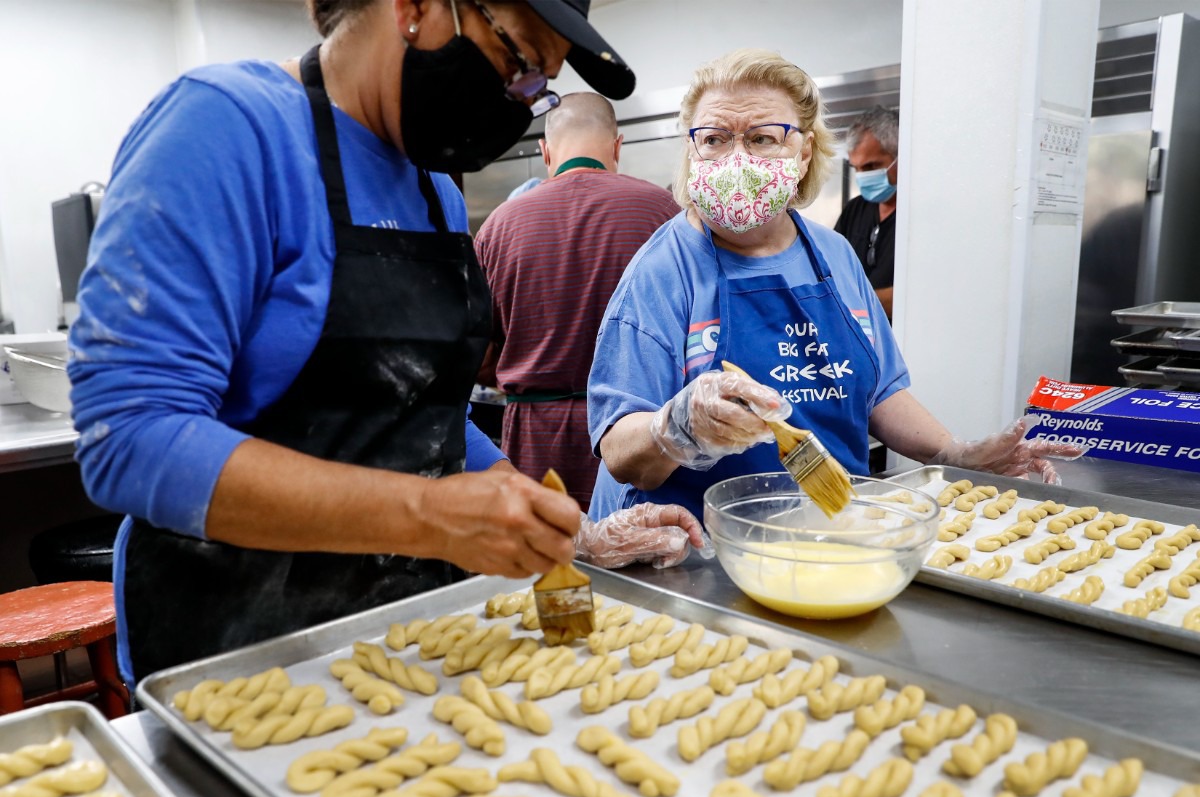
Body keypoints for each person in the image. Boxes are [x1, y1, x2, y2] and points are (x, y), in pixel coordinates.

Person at [67, 0, 707, 687]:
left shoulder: (435, 189)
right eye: (517, 62)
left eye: (537, 86)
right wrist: (427, 514)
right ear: (417, 7)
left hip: (406, 638)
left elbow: (423, 416)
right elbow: (129, 438)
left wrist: (563, 528)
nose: (518, 103)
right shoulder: (226, 128)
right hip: (239, 645)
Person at [587, 49, 1081, 522]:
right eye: (714, 139)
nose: (736, 158)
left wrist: (952, 453)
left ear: (803, 153)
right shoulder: (662, 270)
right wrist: (678, 426)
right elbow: (621, 452)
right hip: (705, 550)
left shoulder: (832, 254)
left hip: (833, 530)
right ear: (693, 152)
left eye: (762, 138)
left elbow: (879, 392)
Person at [474, 92, 679, 510]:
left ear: (544, 151)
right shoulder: (665, 212)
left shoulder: (498, 225)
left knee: (544, 560)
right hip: (635, 440)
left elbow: (476, 353)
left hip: (534, 442)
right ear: (618, 146)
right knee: (639, 558)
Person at [835, 105, 899, 321]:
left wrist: (849, 301)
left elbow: (915, 296)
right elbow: (829, 272)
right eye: (857, 168)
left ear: (900, 158)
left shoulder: (917, 216)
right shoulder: (855, 210)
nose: (863, 176)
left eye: (871, 166)